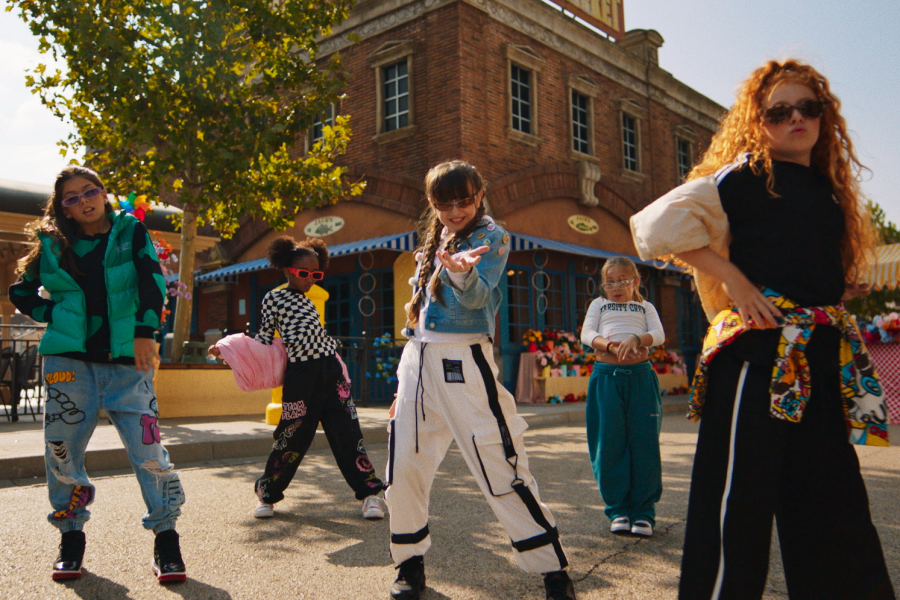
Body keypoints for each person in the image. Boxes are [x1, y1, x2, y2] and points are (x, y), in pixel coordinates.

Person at [630, 59, 895, 600]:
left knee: (834, 502)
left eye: (808, 108)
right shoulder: (744, 176)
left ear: (825, 117)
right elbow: (654, 227)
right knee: (737, 507)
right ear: (759, 122)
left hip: (818, 356)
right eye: (779, 111)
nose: (795, 118)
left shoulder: (829, 190)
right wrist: (736, 282)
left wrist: (835, 288)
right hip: (758, 356)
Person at [385, 160, 576, 600]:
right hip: (417, 359)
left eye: (464, 200)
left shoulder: (492, 237)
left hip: (463, 357)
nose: (455, 211)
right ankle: (408, 564)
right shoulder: (438, 237)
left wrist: (458, 272)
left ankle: (551, 567)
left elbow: (479, 298)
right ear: (432, 205)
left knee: (499, 460)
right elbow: (419, 313)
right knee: (405, 464)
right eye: (443, 203)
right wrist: (403, 385)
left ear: (479, 194)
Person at [10, 166, 186, 583]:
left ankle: (167, 539)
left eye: (90, 191)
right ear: (64, 209)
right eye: (71, 198)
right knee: (62, 451)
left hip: (129, 363)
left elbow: (151, 281)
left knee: (150, 454)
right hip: (68, 365)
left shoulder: (131, 232)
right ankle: (71, 537)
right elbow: (20, 290)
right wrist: (55, 313)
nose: (84, 200)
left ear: (104, 193)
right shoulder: (53, 244)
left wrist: (146, 333)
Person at [210, 236, 386, 520]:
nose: (310, 280)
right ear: (287, 269)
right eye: (304, 273)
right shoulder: (274, 298)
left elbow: (318, 338)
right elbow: (264, 339)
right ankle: (267, 495)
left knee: (349, 434)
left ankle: (369, 495)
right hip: (301, 376)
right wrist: (226, 348)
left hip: (331, 372)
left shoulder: (308, 302)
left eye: (316, 274)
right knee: (289, 438)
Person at [580, 257, 665, 538]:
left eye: (623, 280)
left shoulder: (645, 307)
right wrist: (611, 346)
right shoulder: (599, 305)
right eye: (610, 281)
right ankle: (618, 509)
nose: (616, 286)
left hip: (641, 378)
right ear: (604, 284)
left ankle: (643, 512)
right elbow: (587, 333)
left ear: (636, 282)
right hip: (606, 378)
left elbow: (659, 334)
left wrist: (636, 340)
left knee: (644, 442)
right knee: (610, 442)